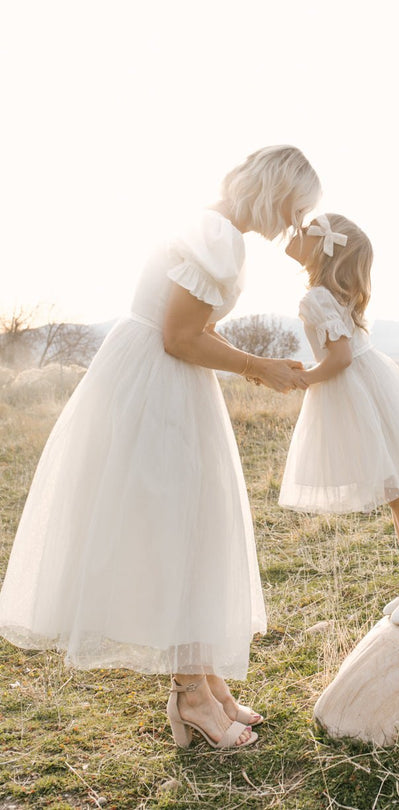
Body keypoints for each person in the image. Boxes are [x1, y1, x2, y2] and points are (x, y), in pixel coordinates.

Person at [0, 145, 321, 750]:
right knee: (180, 533)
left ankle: (207, 683)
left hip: (151, 378)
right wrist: (259, 368)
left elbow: (192, 322)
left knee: (193, 528)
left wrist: (253, 365)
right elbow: (178, 336)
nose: (295, 224)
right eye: (297, 209)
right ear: (276, 194)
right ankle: (192, 697)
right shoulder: (220, 237)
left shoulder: (209, 223)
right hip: (158, 385)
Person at [278, 214, 399, 625]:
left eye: (306, 229)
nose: (295, 233)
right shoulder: (330, 296)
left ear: (323, 248)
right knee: (394, 492)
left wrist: (304, 379)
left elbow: (337, 358)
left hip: (355, 393)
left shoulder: (316, 298)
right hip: (367, 387)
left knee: (396, 492)